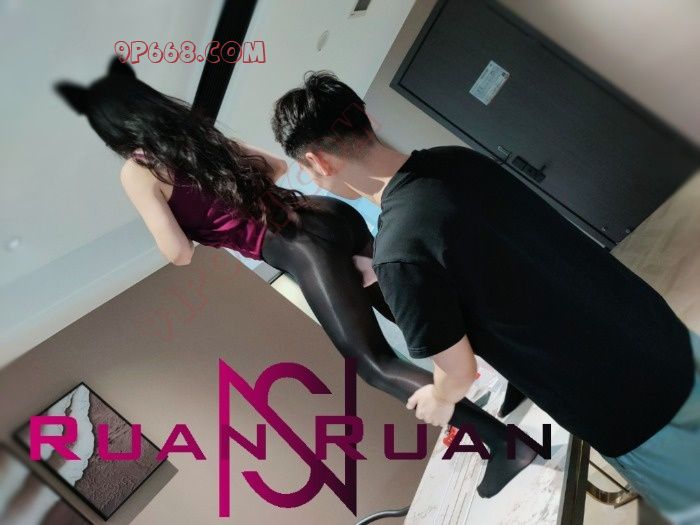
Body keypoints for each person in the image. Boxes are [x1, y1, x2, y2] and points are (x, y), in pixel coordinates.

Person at [54, 57, 535, 498]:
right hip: (325, 214)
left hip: (296, 246)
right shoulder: (195, 134)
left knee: (373, 363)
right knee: (414, 305)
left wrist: (203, 226)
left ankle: (504, 445)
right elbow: (277, 165)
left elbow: (176, 253)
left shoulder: (138, 171)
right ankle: (524, 375)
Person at [271, 71, 700, 520]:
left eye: (306, 169)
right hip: (659, 332)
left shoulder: (399, 252)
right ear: (366, 118)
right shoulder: (457, 160)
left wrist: (438, 399)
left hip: (618, 403)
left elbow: (459, 372)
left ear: (319, 161)